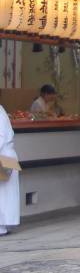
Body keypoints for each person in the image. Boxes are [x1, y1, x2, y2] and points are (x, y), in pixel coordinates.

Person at [0, 99, 19, 236]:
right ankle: (5, 225)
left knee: (4, 192)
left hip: (4, 156)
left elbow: (1, 136)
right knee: (6, 192)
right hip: (7, 155)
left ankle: (2, 226)